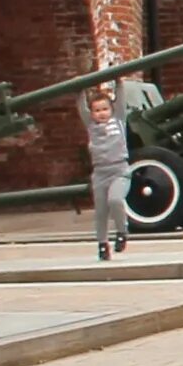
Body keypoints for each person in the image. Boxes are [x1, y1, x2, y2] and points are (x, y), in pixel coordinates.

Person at [78, 85, 131, 261]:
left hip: (119, 170)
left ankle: (122, 231)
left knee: (115, 200)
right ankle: (102, 244)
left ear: (112, 109)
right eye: (97, 110)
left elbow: (121, 100)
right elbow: (81, 107)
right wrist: (80, 90)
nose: (101, 113)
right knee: (101, 211)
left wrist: (119, 81)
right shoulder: (91, 126)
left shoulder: (119, 120)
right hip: (100, 173)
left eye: (105, 109)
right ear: (92, 114)